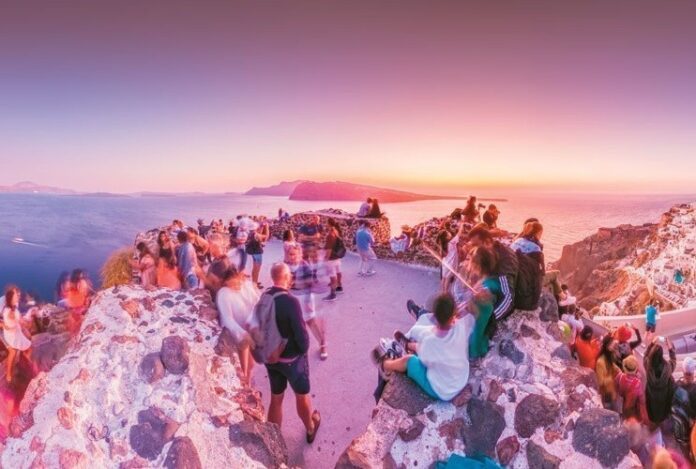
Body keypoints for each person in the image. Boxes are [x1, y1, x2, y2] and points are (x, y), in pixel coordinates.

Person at [374, 293, 474, 401]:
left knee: (410, 360)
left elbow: (425, 361)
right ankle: (407, 345)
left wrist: (421, 347)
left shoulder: (430, 341)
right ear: (454, 315)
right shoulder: (461, 327)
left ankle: (385, 365)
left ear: (434, 316)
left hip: (442, 391)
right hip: (461, 379)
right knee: (428, 349)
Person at [263, 263, 321, 443]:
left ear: (273, 277)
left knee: (276, 398)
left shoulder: (264, 296)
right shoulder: (290, 302)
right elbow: (302, 338)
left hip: (271, 359)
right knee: (302, 396)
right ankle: (310, 428)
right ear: (287, 278)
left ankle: (273, 441)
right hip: (292, 361)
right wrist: (303, 352)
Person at [216, 266, 260, 385]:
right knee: (243, 365)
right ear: (226, 283)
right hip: (237, 333)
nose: (237, 286)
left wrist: (254, 323)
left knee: (251, 364)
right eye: (233, 284)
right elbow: (227, 319)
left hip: (251, 328)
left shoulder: (247, 285)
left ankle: (249, 382)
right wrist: (242, 333)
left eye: (238, 282)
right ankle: (246, 383)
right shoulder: (223, 294)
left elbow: (258, 302)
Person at [465, 226, 516, 321]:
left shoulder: (504, 262)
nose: (473, 249)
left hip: (504, 303)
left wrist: (488, 319)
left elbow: (508, 298)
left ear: (487, 242)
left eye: (476, 245)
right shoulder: (488, 254)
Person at [286, 245, 327, 360]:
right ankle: (299, 347)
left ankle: (323, 345)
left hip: (304, 297)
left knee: (311, 322)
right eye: (290, 254)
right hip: (292, 298)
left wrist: (308, 302)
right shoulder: (286, 267)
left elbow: (311, 285)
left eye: (294, 254)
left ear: (300, 255)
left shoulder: (305, 266)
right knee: (295, 324)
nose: (292, 257)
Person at [467, 246, 504, 359]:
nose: (469, 263)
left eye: (471, 260)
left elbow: (473, 309)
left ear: (478, 265)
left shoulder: (487, 286)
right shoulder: (489, 280)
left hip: (475, 339)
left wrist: (472, 299)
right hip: (480, 331)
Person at [644, 337, 676, 431]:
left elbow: (645, 355)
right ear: (662, 355)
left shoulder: (648, 365)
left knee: (652, 408)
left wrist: (651, 344)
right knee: (662, 408)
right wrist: (670, 348)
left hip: (651, 394)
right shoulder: (667, 367)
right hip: (663, 395)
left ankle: (654, 423)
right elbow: (673, 360)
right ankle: (661, 423)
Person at [2, 286, 32, 383]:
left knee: (28, 338)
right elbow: (17, 319)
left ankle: (25, 361)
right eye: (17, 294)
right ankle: (8, 375)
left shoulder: (14, 304)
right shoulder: (4, 306)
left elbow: (18, 319)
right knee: (13, 351)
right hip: (7, 332)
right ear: (11, 296)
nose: (19, 295)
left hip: (15, 330)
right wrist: (3, 325)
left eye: (19, 293)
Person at [615, 355, 649, 423]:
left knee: (624, 420)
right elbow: (642, 399)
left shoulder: (619, 376)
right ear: (636, 368)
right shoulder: (637, 383)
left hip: (621, 405)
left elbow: (616, 387)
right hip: (633, 409)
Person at [595, 334, 620, 410]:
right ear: (607, 346)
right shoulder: (600, 362)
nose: (613, 346)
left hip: (612, 389)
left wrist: (618, 369)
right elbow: (600, 382)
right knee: (609, 409)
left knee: (614, 406)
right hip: (606, 392)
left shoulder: (609, 355)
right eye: (611, 344)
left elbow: (611, 364)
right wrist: (612, 379)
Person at [323, 218, 344, 301]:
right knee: (338, 271)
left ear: (329, 224)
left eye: (326, 222)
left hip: (331, 258)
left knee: (332, 277)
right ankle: (339, 287)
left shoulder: (329, 235)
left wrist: (326, 258)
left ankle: (332, 294)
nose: (325, 224)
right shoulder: (335, 231)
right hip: (337, 257)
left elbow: (329, 249)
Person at [246, 220, 269, 289]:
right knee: (256, 270)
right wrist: (267, 228)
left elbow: (259, 234)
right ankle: (255, 284)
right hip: (257, 253)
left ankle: (254, 281)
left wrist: (262, 227)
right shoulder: (256, 235)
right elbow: (265, 237)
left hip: (253, 253)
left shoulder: (250, 233)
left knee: (254, 269)